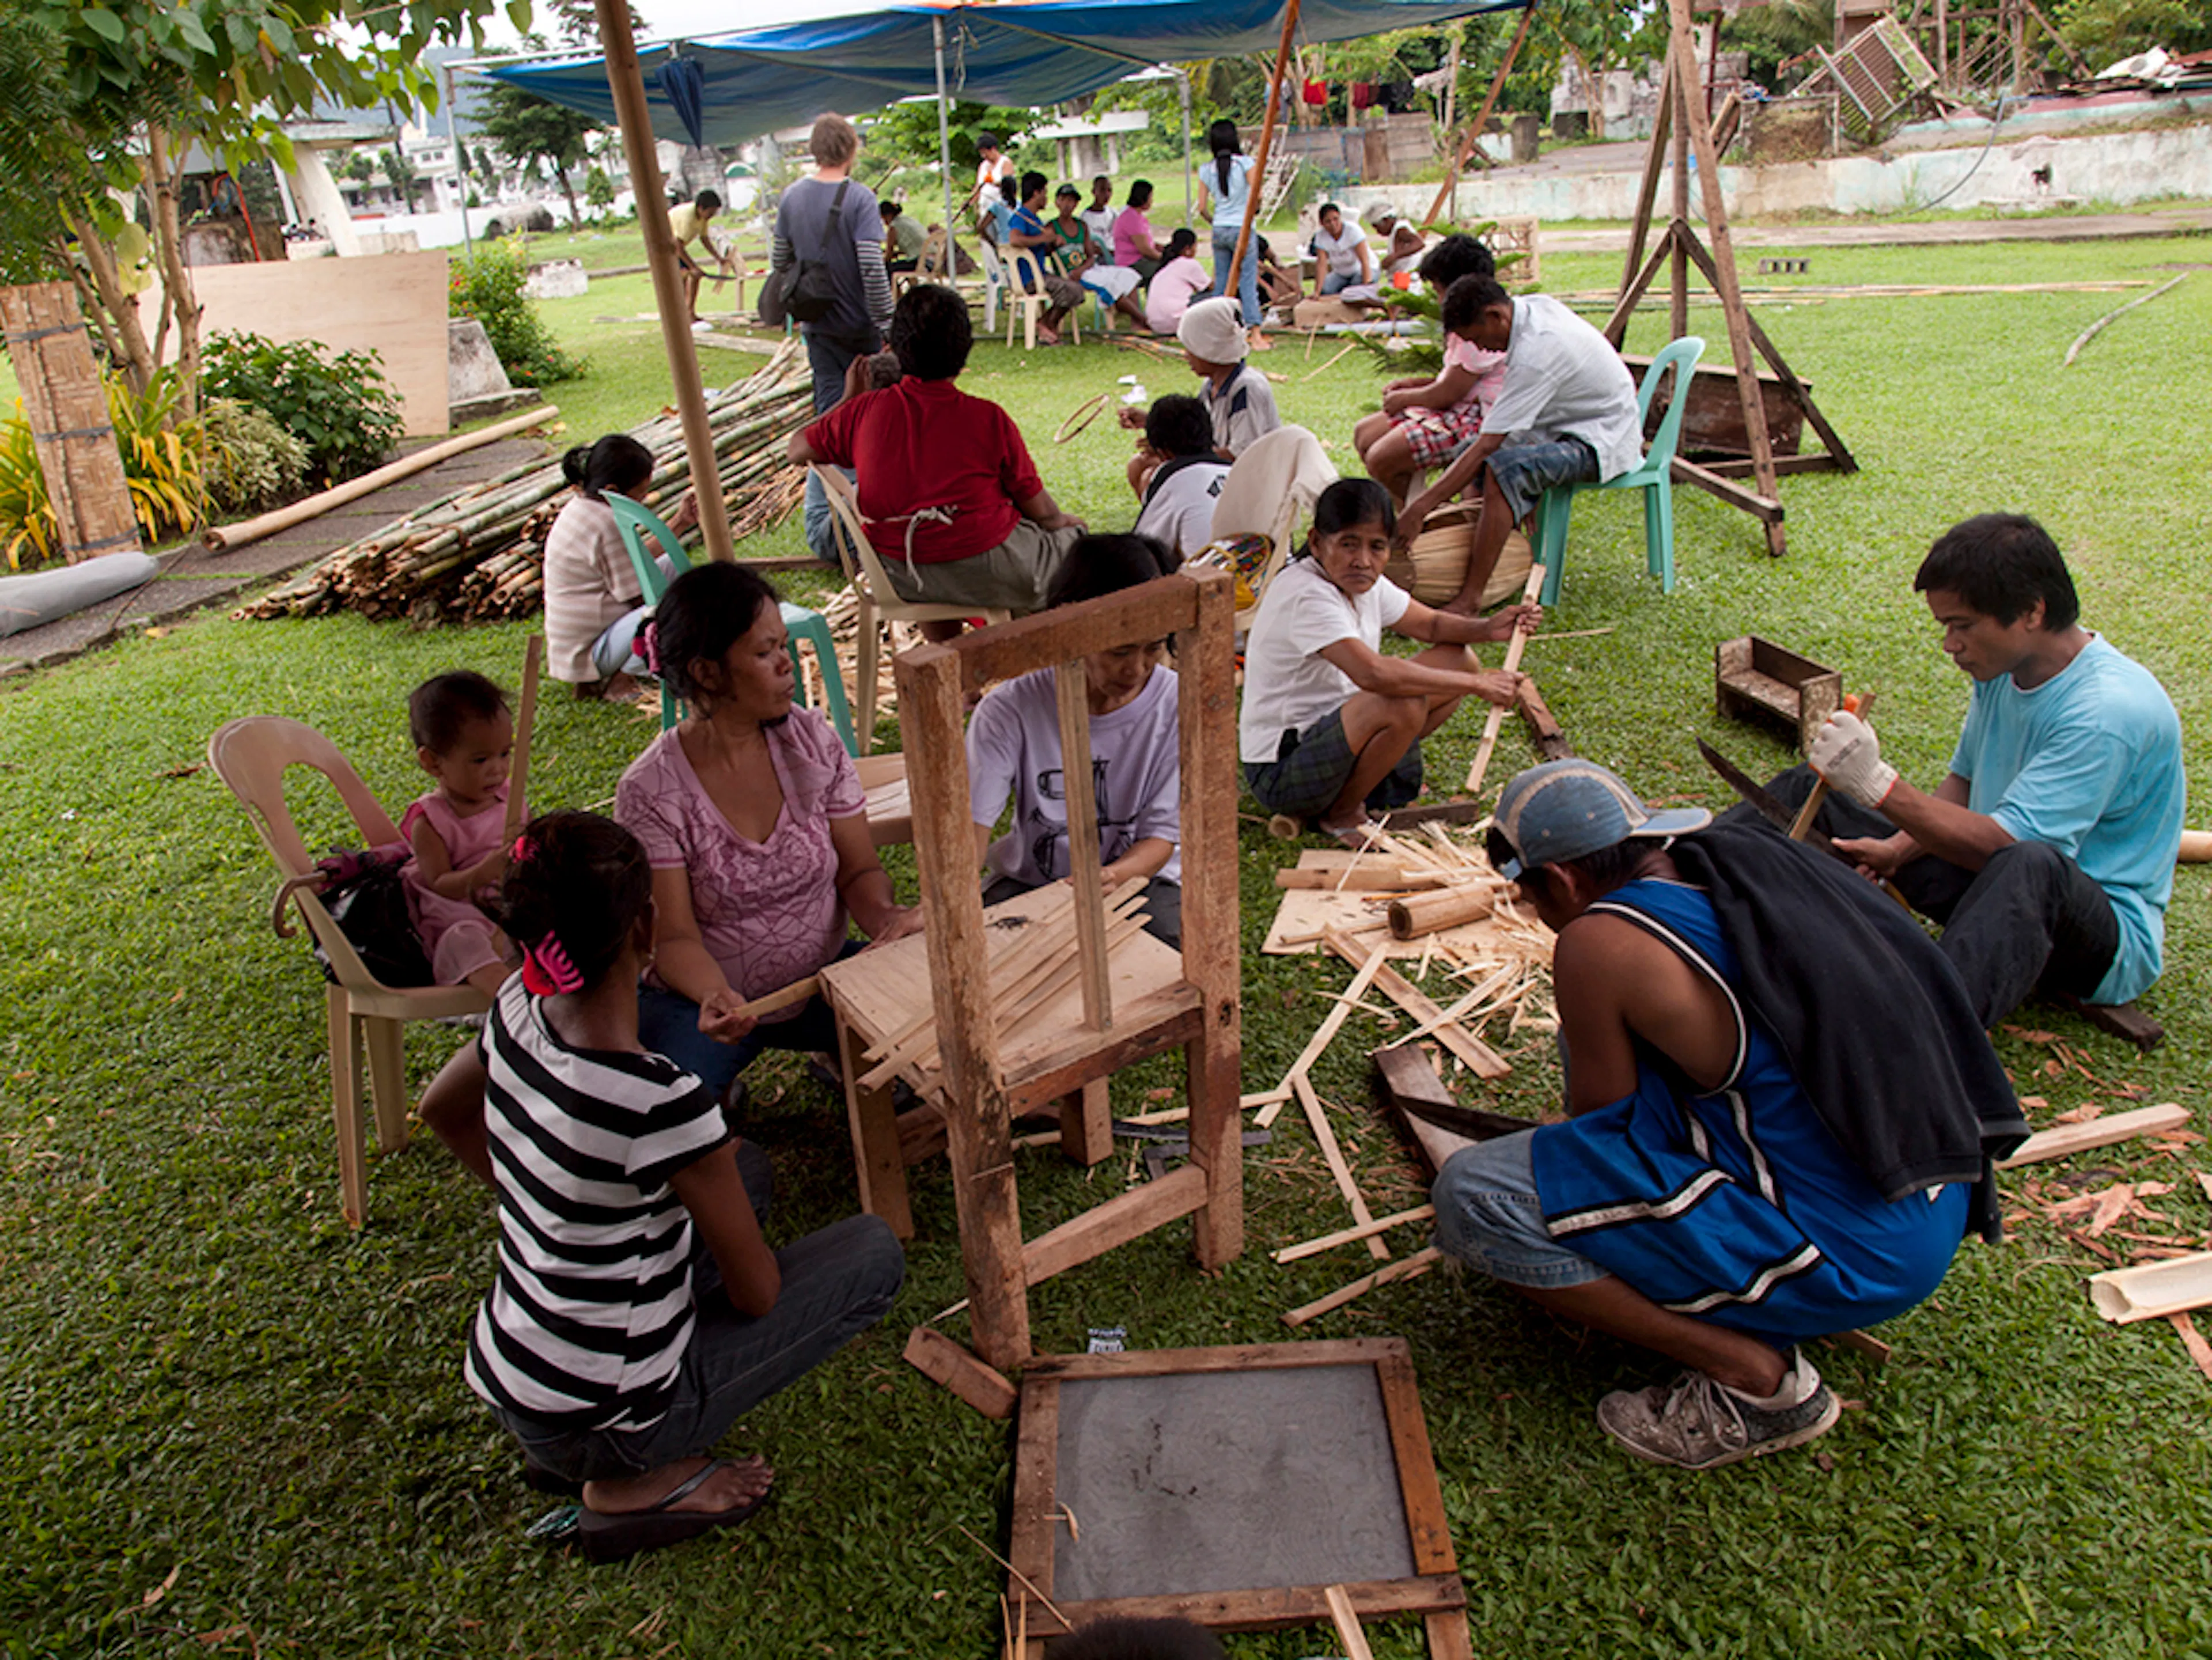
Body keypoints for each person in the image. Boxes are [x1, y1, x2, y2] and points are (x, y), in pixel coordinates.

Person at [1433, 759, 2025, 1469]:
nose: (1538, 913)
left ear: (1560, 879)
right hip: (1928, 1192)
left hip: (1853, 1254)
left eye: (1531, 896)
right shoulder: (1747, 868)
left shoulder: (1599, 941)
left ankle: (1758, 1380)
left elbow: (1602, 1122)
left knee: (1476, 1194)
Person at [422, 810, 904, 1562]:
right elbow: (758, 1296)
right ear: (647, 927)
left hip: (518, 1379)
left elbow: (441, 1108)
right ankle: (632, 1486)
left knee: (747, 1170)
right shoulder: (661, 1098)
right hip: (609, 1419)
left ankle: (593, 1431)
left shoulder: (516, 1007)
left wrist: (547, 1201)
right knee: (873, 1252)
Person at [1784, 514, 2184, 1027]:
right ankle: (1684, 884)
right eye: (1946, 626)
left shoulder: (2108, 712)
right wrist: (1895, 849)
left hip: (2100, 939)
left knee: (2030, 863)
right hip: (1999, 887)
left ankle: (1922, 1033)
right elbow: (1965, 784)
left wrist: (1877, 784)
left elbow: (2006, 847)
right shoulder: (2004, 671)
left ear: (2031, 612)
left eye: (1962, 625)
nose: (1950, 643)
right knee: (1810, 791)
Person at [615, 562, 923, 1104]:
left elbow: (860, 869)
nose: (789, 665)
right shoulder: (651, 791)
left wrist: (884, 920)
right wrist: (714, 994)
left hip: (823, 980)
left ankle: (831, 1052)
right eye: (765, 653)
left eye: (783, 645)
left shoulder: (811, 742)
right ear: (707, 673)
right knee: (669, 1109)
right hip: (703, 1003)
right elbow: (675, 937)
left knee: (939, 1034)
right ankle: (717, 1084)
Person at [1239, 479, 1534, 841]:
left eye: (1376, 547)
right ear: (1316, 542)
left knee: (1459, 660)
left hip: (1338, 734)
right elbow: (1374, 674)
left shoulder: (1365, 583)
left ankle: (1373, 775)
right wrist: (1477, 686)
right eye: (1348, 545)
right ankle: (1343, 813)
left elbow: (1432, 624)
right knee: (1402, 702)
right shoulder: (1306, 593)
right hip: (1282, 771)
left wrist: (1489, 628)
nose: (1363, 560)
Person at [788, 282, 1086, 631]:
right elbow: (1042, 512)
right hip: (986, 569)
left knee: (935, 558)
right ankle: (1033, 665)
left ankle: (953, 667)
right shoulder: (987, 417)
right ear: (964, 350)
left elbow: (796, 449)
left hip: (899, 574)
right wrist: (1069, 525)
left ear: (897, 347)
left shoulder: (865, 411)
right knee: (1074, 546)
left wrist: (849, 400)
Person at [968, 535, 1187, 947]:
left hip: (1139, 878)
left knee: (1157, 960)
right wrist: (947, 902)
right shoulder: (1008, 710)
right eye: (1119, 651)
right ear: (1067, 625)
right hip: (1030, 882)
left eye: (1153, 649)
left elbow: (1160, 838)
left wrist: (1111, 877)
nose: (1137, 668)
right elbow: (973, 828)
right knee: (986, 953)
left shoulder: (1176, 703)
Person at [1397, 276, 1643, 615]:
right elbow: (1481, 446)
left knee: (1504, 469)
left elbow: (1488, 447)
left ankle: (1470, 598)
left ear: (1496, 316)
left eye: (1478, 339)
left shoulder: (1537, 352)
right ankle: (1493, 559)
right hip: (1562, 426)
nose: (1482, 350)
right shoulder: (1530, 309)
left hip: (1601, 437)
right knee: (1464, 452)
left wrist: (1420, 508)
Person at [773, 115, 892, 563]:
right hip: (859, 327)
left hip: (817, 327)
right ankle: (851, 521)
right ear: (851, 149)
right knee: (867, 418)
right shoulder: (860, 198)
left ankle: (830, 515)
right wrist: (887, 324)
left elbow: (779, 258)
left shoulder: (791, 198)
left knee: (830, 416)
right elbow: (871, 265)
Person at [542, 433, 698, 699]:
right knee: (670, 613)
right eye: (640, 496)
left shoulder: (581, 507)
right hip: (590, 648)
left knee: (672, 568)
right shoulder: (607, 524)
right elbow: (640, 596)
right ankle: (620, 682)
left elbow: (635, 560)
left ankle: (600, 677)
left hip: (577, 644)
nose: (643, 502)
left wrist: (680, 523)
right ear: (614, 492)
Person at [400, 670, 520, 1001]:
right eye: (480, 760)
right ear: (433, 763)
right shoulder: (431, 820)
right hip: (461, 915)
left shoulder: (511, 799)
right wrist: (481, 875)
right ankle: (513, 1000)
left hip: (511, 909)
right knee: (463, 940)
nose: (497, 769)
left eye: (504, 754)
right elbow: (439, 883)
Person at [1353, 274, 1509, 501]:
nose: (1438, 301)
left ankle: (1433, 521)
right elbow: (1455, 380)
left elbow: (1449, 393)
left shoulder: (1479, 329)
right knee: (1365, 434)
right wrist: (1412, 386)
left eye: (1438, 291)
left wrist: (1405, 398)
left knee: (1382, 458)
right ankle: (1421, 517)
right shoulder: (1469, 326)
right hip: (1460, 408)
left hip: (1475, 417)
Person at [1118, 298, 1281, 498]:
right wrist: (1152, 422)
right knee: (1139, 465)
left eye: (1191, 348)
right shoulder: (1211, 386)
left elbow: (1240, 455)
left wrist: (1174, 453)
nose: (1186, 356)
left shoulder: (1247, 389)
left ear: (1209, 348)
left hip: (1247, 485)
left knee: (1153, 476)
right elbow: (1197, 433)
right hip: (1219, 471)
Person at [1130, 396, 1230, 556]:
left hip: (1211, 575)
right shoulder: (1238, 472)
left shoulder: (1172, 479)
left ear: (1161, 451)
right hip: (1267, 572)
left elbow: (1144, 549)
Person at [1196, 119, 1264, 344]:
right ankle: (1255, 333)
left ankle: (1217, 332)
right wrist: (1254, 213)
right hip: (1242, 228)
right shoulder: (1245, 164)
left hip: (1220, 229)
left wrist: (1215, 221)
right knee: (1247, 280)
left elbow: (1203, 207)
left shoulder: (1206, 169)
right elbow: (1257, 195)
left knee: (1223, 282)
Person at [1005, 172, 1090, 345]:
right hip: (1029, 278)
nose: (1046, 198)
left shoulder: (1034, 219)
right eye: (1044, 192)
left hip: (1041, 273)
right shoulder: (1021, 217)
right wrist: (1045, 238)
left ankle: (1046, 323)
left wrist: (1052, 244)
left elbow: (1038, 247)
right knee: (1071, 290)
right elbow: (1015, 239)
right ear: (1036, 193)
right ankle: (1046, 324)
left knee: (1075, 290)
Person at [1051, 181, 1146, 330]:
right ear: (1057, 202)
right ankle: (1144, 320)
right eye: (1064, 200)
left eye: (1072, 201)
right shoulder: (1051, 227)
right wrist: (1051, 241)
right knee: (1111, 286)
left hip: (1087, 269)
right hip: (1070, 274)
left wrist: (1083, 269)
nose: (1068, 205)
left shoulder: (1081, 226)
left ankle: (1136, 325)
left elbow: (1090, 256)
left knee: (1129, 274)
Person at [668, 189, 732, 327]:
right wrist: (693, 267)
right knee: (689, 276)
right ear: (701, 208)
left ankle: (689, 312)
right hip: (668, 248)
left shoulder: (702, 218)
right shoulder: (688, 218)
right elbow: (678, 247)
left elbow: (704, 239)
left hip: (676, 247)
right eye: (710, 213)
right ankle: (686, 314)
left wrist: (719, 258)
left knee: (692, 277)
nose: (711, 216)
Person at [1142, 227, 1209, 335]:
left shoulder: (1165, 267)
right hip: (1177, 322)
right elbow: (1210, 287)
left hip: (1156, 325)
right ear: (1188, 249)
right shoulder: (1189, 264)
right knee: (1214, 298)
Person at [1307, 202, 1373, 295]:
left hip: (1360, 270)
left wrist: (1367, 288)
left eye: (1336, 219)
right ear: (1322, 223)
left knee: (1356, 289)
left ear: (1340, 218)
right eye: (1328, 222)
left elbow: (1365, 261)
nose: (1333, 224)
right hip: (1341, 273)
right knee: (1326, 290)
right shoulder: (1320, 236)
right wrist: (1317, 292)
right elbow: (1322, 265)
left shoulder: (1353, 231)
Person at [1112, 180, 1166, 287]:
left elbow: (1145, 241)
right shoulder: (1132, 218)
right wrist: (1164, 258)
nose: (1152, 201)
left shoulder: (1137, 216)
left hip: (1140, 260)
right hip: (1132, 263)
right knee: (1165, 270)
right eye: (1151, 197)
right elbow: (1145, 250)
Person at [1365, 203, 1428, 275]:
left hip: (1407, 276)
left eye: (1377, 227)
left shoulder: (1401, 229)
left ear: (1386, 220)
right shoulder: (1395, 231)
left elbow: (1419, 243)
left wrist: (1394, 256)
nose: (1377, 231)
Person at [880, 200, 925, 274]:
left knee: (887, 268)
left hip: (919, 261)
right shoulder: (907, 219)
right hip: (932, 258)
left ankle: (890, 286)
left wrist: (881, 262)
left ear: (887, 215)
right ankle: (913, 284)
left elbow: (889, 254)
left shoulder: (894, 227)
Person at [1081, 174, 1118, 250]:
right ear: (1094, 192)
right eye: (1102, 190)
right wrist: (1109, 253)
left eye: (1109, 190)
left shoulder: (1113, 214)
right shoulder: (1086, 218)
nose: (1107, 195)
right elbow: (1090, 245)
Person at [973, 131, 1014, 198]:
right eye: (981, 154)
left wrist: (992, 182)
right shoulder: (983, 166)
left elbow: (1008, 186)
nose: (984, 156)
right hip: (984, 206)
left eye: (985, 153)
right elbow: (977, 189)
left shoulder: (1005, 162)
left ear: (993, 149)